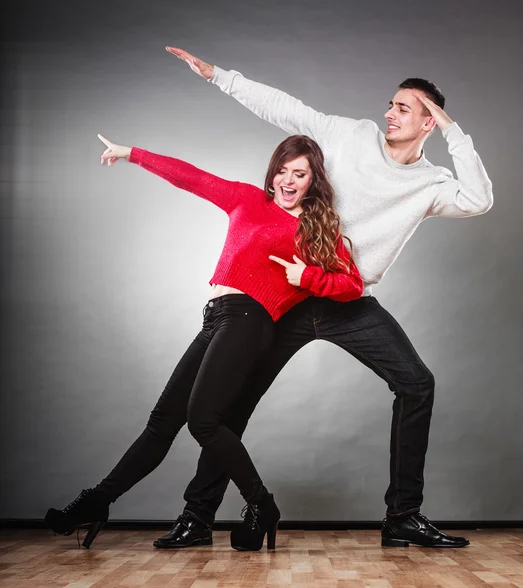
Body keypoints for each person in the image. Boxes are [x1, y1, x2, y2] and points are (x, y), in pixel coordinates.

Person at [153, 46, 494, 550]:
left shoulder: (432, 183)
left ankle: (403, 515)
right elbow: (286, 108)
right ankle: (197, 517)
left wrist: (455, 133)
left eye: (405, 107)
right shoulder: (351, 135)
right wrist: (219, 77)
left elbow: (480, 199)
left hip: (348, 300)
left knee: (417, 384)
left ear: (429, 123)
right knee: (234, 404)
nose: (390, 112)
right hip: (287, 294)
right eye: (392, 103)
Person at [44, 134, 363, 551]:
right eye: (282, 171)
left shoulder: (315, 228)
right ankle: (97, 502)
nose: (287, 181)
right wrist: (132, 154)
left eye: (299, 174)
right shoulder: (249, 201)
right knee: (162, 422)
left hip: (250, 321)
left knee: (204, 420)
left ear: (313, 180)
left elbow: (352, 284)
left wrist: (307, 278)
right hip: (216, 317)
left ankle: (262, 505)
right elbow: (193, 179)